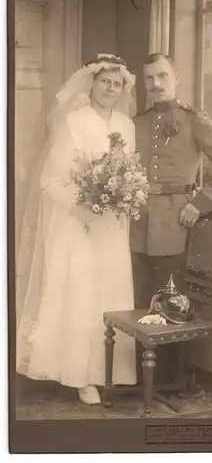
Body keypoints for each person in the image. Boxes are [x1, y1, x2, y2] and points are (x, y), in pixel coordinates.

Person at [16, 54, 137, 405]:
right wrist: (83, 207)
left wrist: (121, 196)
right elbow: (50, 178)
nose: (110, 89)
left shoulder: (126, 126)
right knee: (81, 294)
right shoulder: (74, 121)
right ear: (92, 83)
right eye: (104, 82)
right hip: (78, 222)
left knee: (109, 293)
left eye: (117, 84)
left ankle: (108, 372)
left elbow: (128, 172)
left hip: (111, 226)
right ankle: (80, 375)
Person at [130, 53, 212, 384]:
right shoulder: (136, 122)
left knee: (169, 304)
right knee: (137, 302)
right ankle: (141, 381)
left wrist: (201, 203)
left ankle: (168, 380)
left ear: (175, 77)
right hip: (136, 224)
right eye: (150, 78)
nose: (156, 84)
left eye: (162, 76)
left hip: (176, 223)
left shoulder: (194, 120)